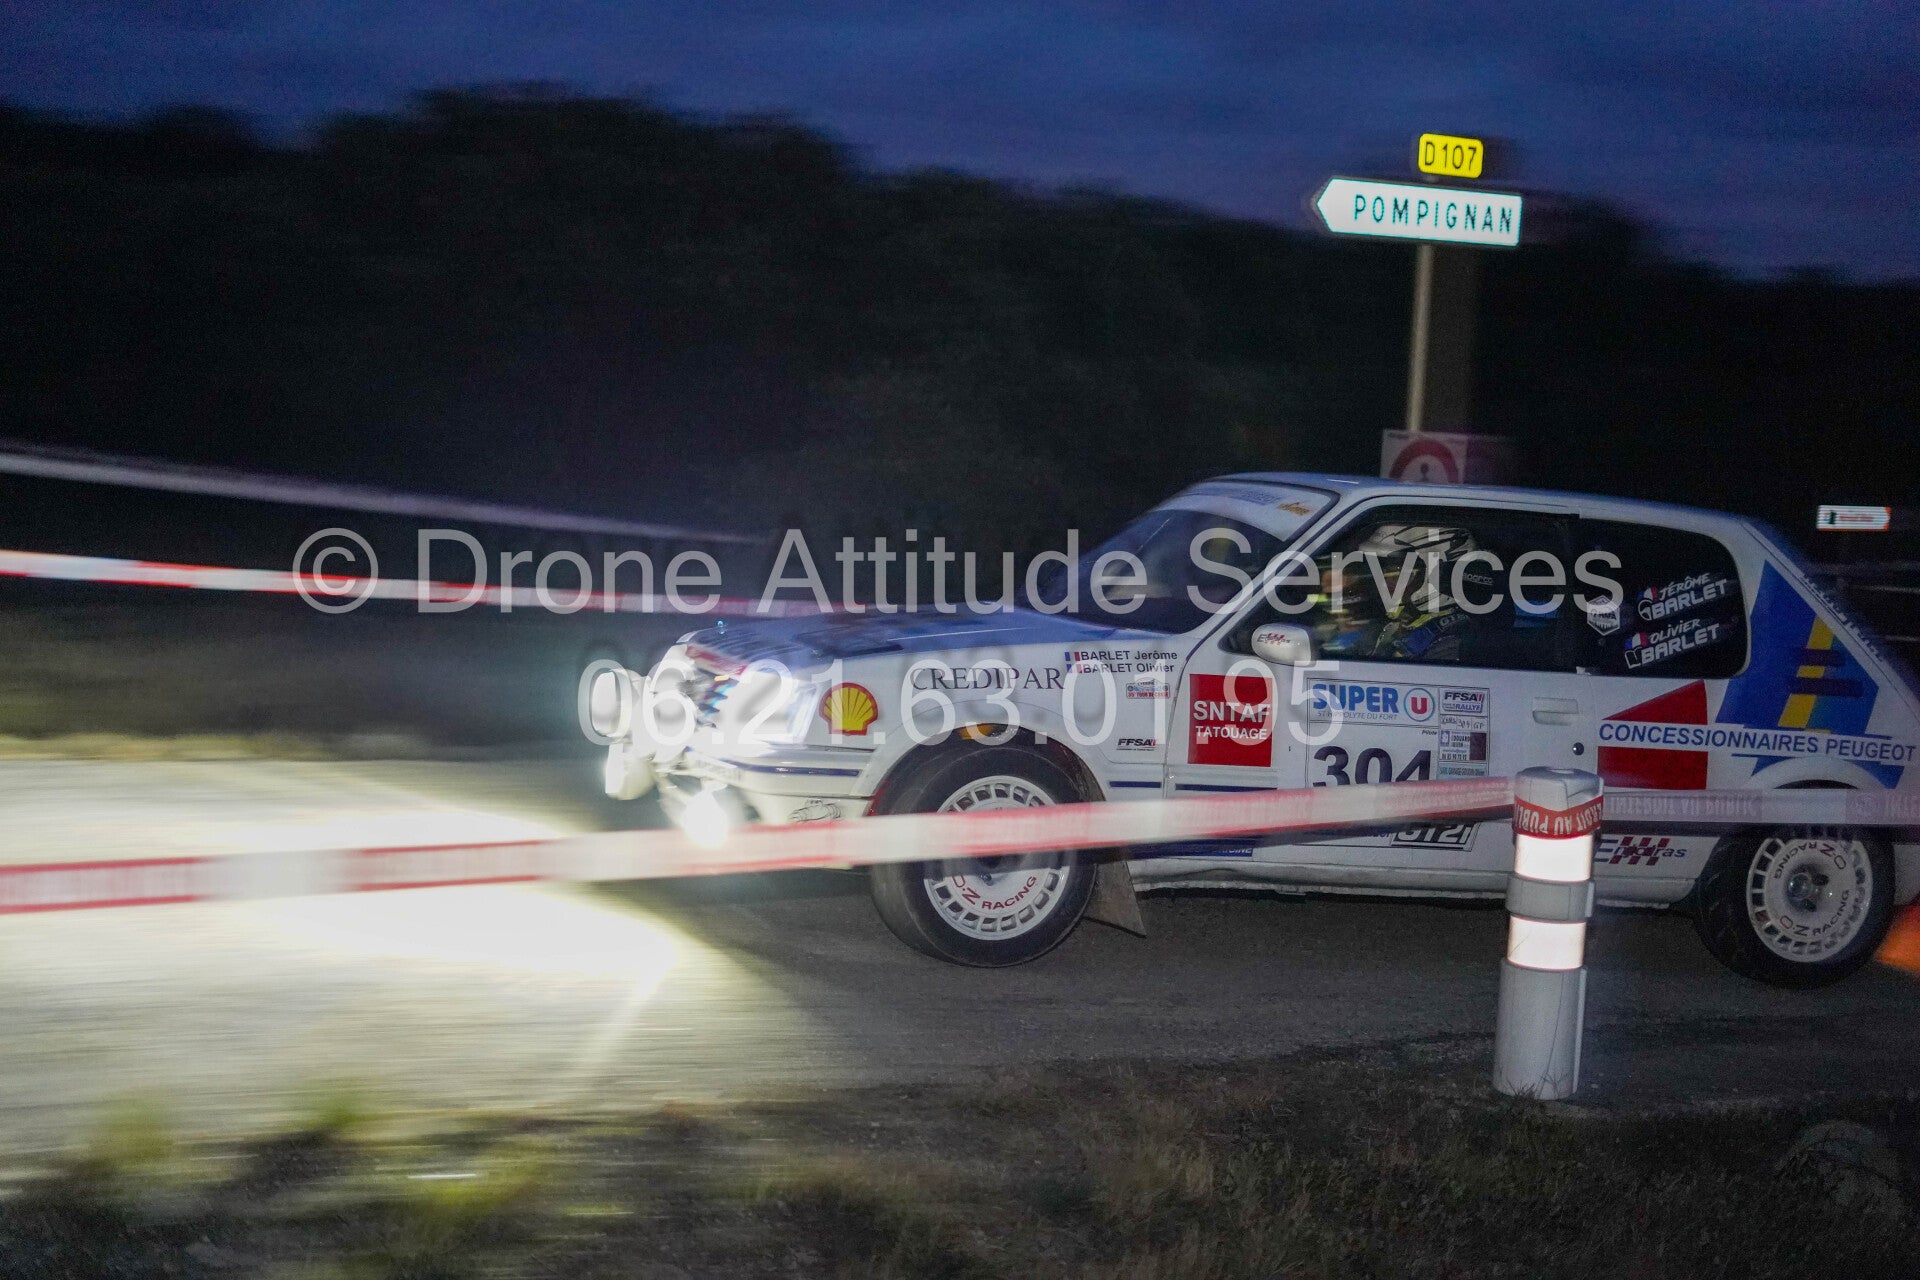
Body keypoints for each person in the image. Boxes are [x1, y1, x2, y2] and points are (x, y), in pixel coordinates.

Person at [1314, 525, 1480, 662]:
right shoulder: (1395, 628)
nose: (1385, 581)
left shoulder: (1453, 643)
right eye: (1384, 570)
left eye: (1399, 570)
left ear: (1438, 575)